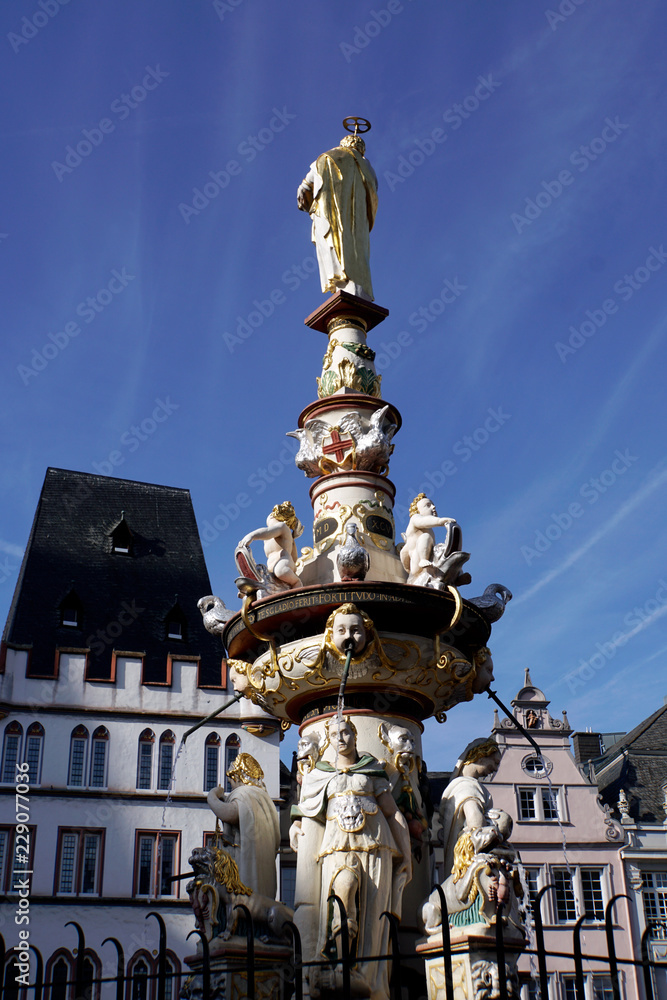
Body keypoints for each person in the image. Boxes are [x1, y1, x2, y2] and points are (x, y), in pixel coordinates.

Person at [289, 716, 411, 1000]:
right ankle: (340, 965)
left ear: (355, 736)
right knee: (341, 893)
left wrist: (405, 852)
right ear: (329, 741)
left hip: (375, 847)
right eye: (335, 735)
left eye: (346, 732)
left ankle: (368, 978)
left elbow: (392, 813)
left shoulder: (370, 770)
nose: (341, 738)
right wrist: (295, 825)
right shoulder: (321, 774)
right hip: (336, 848)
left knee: (373, 913)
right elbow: (307, 809)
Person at [297, 134, 378, 302]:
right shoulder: (368, 169)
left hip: (336, 219)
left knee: (335, 243)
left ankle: (345, 281)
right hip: (358, 226)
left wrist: (305, 193)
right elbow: (374, 190)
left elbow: (309, 180)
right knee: (358, 251)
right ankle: (354, 284)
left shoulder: (332, 156)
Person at [207, 752, 280, 899]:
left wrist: (212, 796)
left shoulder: (245, 795)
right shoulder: (265, 799)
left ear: (237, 777)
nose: (231, 787)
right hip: (265, 877)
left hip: (245, 873)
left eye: (231, 782)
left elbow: (229, 813)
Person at [400, 493, 470, 589]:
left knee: (443, 551)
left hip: (430, 562)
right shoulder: (415, 519)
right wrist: (441, 521)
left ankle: (458, 576)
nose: (433, 507)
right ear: (417, 511)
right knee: (425, 537)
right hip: (419, 563)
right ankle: (423, 559)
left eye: (432, 505)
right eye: (428, 505)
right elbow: (404, 553)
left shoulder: (429, 530)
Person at [240, 501, 303, 590]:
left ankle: (296, 582)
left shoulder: (282, 527)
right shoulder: (269, 536)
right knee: (261, 577)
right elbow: (268, 532)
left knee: (281, 571)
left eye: (272, 514)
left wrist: (252, 536)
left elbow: (268, 532)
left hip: (284, 562)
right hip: (271, 568)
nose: (270, 516)